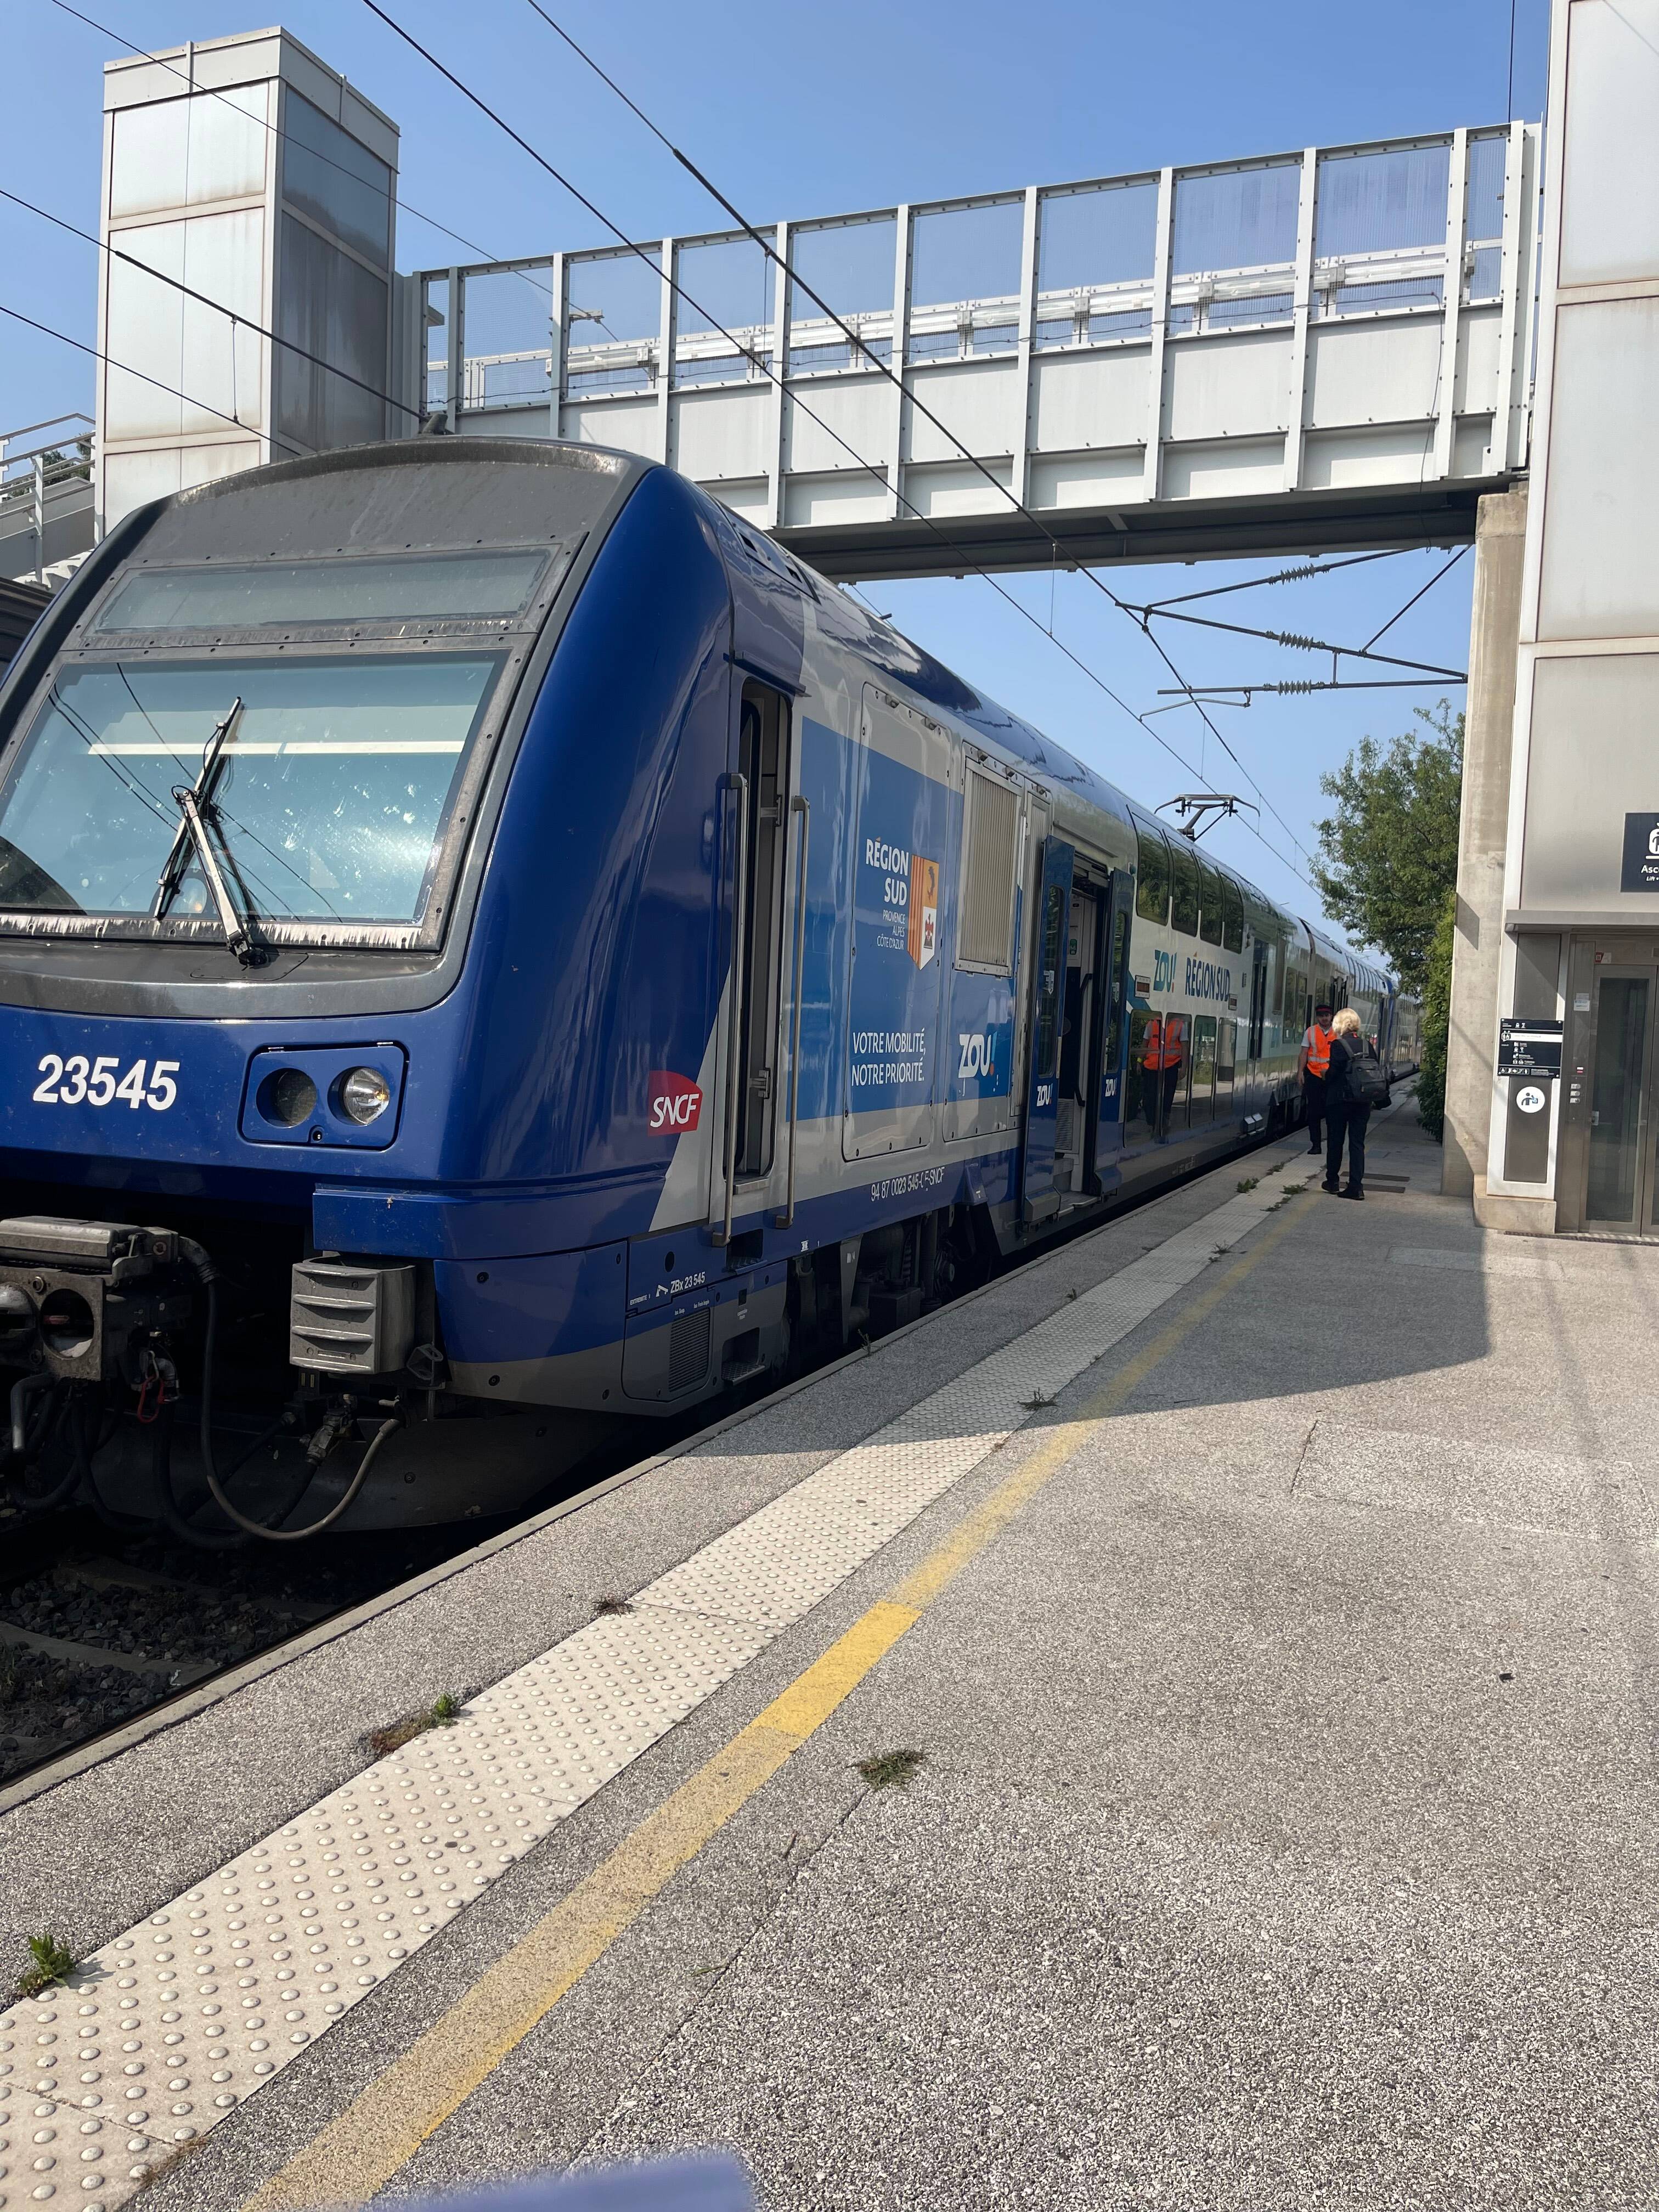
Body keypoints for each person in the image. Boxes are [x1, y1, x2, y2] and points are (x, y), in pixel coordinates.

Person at [1323, 1006, 1372, 1199]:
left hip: (1340, 1102)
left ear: (1339, 1025)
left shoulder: (1338, 1045)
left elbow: (1333, 1074)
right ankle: (1356, 1187)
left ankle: (1333, 1181)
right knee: (1357, 1144)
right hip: (1362, 1101)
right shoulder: (1367, 1045)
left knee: (1336, 1142)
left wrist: (1325, 1075)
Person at [1298, 1002, 1333, 1155]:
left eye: (1326, 1015)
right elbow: (1304, 1053)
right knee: (1313, 1112)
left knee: (1332, 1112)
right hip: (1313, 1075)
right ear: (1317, 1017)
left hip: (1332, 1077)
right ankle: (1316, 1145)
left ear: (1331, 1016)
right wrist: (1300, 1072)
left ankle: (1332, 1144)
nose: (1324, 1018)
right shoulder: (1310, 1032)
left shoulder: (1338, 1032)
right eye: (1321, 1016)